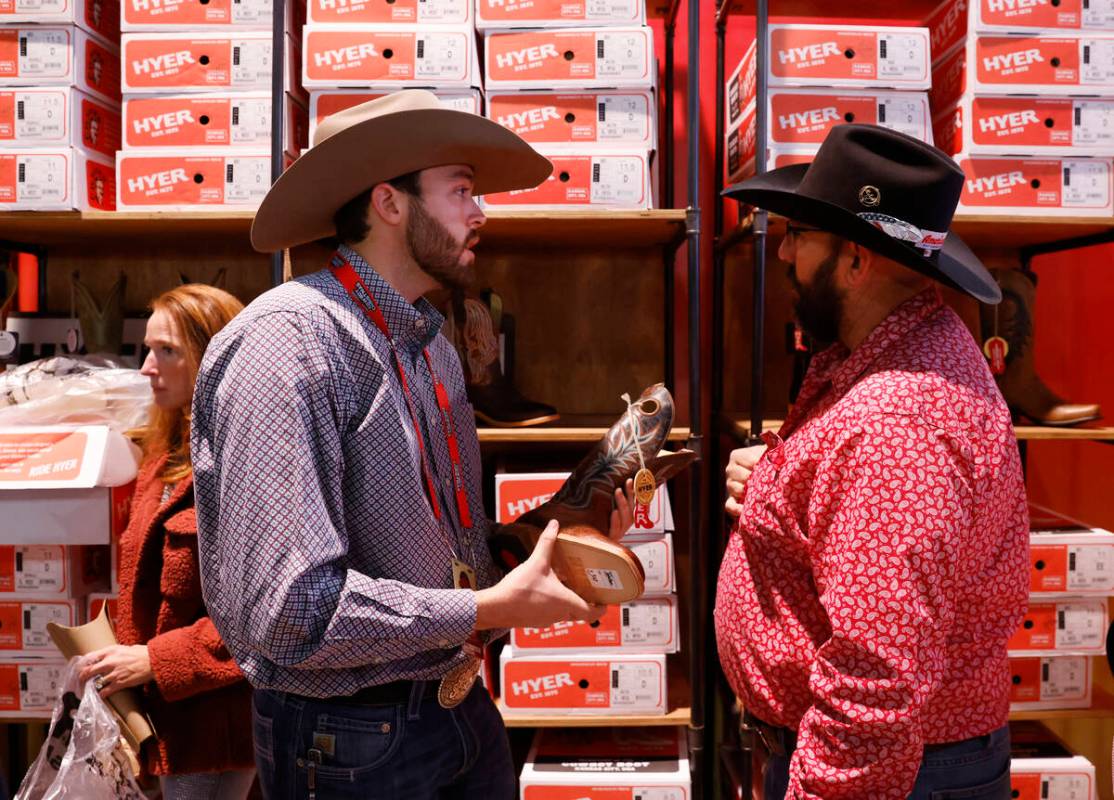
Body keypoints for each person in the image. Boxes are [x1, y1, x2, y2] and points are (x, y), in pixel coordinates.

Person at [190, 90, 637, 799]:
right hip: (347, 737)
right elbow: (289, 613)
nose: (481, 211)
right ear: (390, 204)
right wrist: (491, 610)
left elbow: (429, 544)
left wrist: (539, 535)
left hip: (452, 705)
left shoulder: (431, 342)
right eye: (460, 190)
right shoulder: (290, 341)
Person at [715, 124, 1029, 799]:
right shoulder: (888, 362)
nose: (786, 252)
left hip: (891, 776)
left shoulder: (897, 423)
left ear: (856, 262)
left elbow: (876, 682)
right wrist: (778, 482)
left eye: (802, 236)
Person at [80, 284, 254, 799]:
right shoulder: (163, 460)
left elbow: (264, 611)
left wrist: (156, 661)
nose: (146, 368)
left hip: (216, 727)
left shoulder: (241, 466)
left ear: (214, 357)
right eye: (146, 348)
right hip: (158, 722)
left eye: (168, 351)